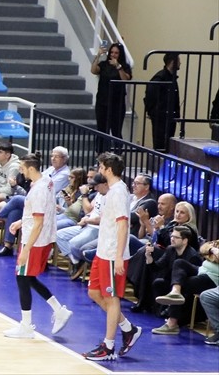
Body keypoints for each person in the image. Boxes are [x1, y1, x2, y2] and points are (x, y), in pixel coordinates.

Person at [1, 153, 74, 339]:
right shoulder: (46, 181)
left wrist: (26, 249)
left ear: (31, 168)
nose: (21, 172)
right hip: (40, 237)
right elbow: (37, 214)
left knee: (22, 278)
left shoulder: (39, 189)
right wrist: (20, 222)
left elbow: (39, 221)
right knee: (28, 278)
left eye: (23, 169)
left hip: (35, 240)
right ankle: (59, 310)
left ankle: (26, 326)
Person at [82, 152, 139, 360]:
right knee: (94, 293)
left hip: (113, 253)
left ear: (107, 169)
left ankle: (108, 346)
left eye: (100, 166)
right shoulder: (112, 191)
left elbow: (123, 226)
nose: (98, 170)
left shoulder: (119, 192)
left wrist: (118, 257)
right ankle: (127, 328)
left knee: (111, 297)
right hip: (103, 250)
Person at [91, 43, 132, 139]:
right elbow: (94, 70)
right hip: (102, 101)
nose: (113, 55)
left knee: (116, 130)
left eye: (116, 53)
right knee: (101, 130)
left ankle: (117, 151)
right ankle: (101, 151)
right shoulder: (104, 65)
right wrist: (98, 55)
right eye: (112, 52)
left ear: (120, 54)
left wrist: (118, 66)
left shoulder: (124, 66)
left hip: (117, 103)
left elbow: (125, 79)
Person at [145, 52, 180, 151]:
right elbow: (150, 95)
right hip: (160, 117)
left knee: (167, 146)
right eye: (178, 60)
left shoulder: (170, 77)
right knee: (160, 145)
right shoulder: (160, 77)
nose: (180, 63)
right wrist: (152, 112)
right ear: (173, 62)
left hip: (169, 117)